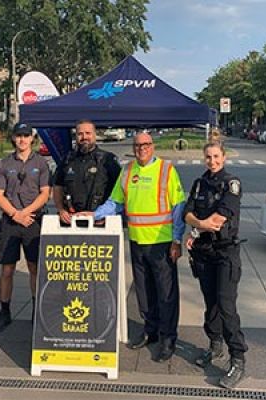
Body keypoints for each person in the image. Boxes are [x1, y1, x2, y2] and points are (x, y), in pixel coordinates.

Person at [91, 132, 186, 362]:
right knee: (144, 292)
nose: (141, 148)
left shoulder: (166, 170)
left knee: (166, 293)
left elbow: (178, 207)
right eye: (137, 145)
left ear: (152, 147)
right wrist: (94, 215)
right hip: (137, 241)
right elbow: (115, 202)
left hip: (161, 243)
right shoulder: (128, 170)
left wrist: (176, 240)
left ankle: (168, 337)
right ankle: (150, 330)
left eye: (145, 144)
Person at [183, 140, 248, 389]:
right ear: (204, 159)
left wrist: (197, 226)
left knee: (225, 304)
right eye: (208, 157)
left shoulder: (231, 183)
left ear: (224, 157)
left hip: (225, 253)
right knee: (210, 303)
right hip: (204, 253)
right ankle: (215, 345)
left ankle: (238, 358)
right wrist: (198, 226)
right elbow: (187, 212)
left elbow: (219, 219)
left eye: (216, 156)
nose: (213, 161)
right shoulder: (200, 183)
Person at [0, 123, 51, 332]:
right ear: (13, 138)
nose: (22, 139)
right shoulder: (4, 164)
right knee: (7, 269)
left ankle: (36, 311)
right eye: (19, 136)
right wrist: (16, 214)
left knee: (35, 267)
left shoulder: (41, 163)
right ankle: (4, 311)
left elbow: (45, 193)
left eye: (26, 136)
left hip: (33, 221)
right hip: (10, 222)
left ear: (32, 138)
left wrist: (26, 213)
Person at [53, 119, 121, 224]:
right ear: (76, 136)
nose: (84, 137)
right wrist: (61, 210)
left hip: (100, 221)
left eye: (88, 133)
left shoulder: (108, 159)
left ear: (94, 135)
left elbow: (120, 192)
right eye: (80, 134)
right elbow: (58, 186)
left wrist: (105, 214)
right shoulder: (67, 160)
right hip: (71, 221)